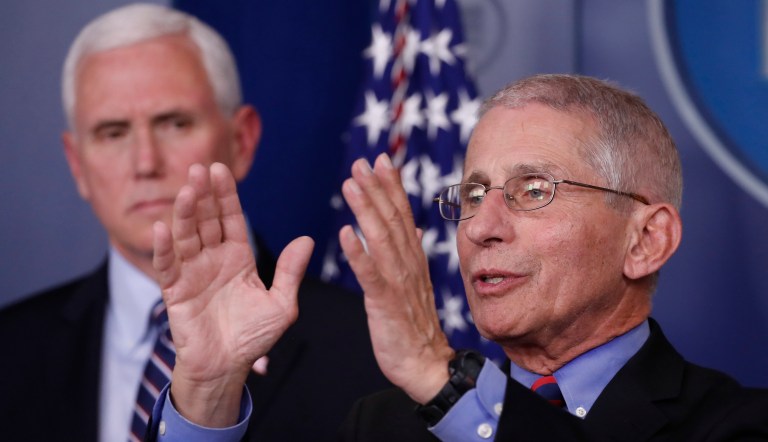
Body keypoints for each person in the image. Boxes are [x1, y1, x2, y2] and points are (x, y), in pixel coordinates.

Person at [149, 74, 768, 441]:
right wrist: (207, 395)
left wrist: (440, 379)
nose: (481, 228)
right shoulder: (383, 426)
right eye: (473, 195)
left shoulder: (737, 425)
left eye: (534, 190)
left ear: (646, 240)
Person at [0, 4, 387, 442]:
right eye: (113, 132)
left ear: (242, 141)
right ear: (77, 164)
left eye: (175, 123)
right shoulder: (10, 352)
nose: (145, 163)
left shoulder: (366, 348)